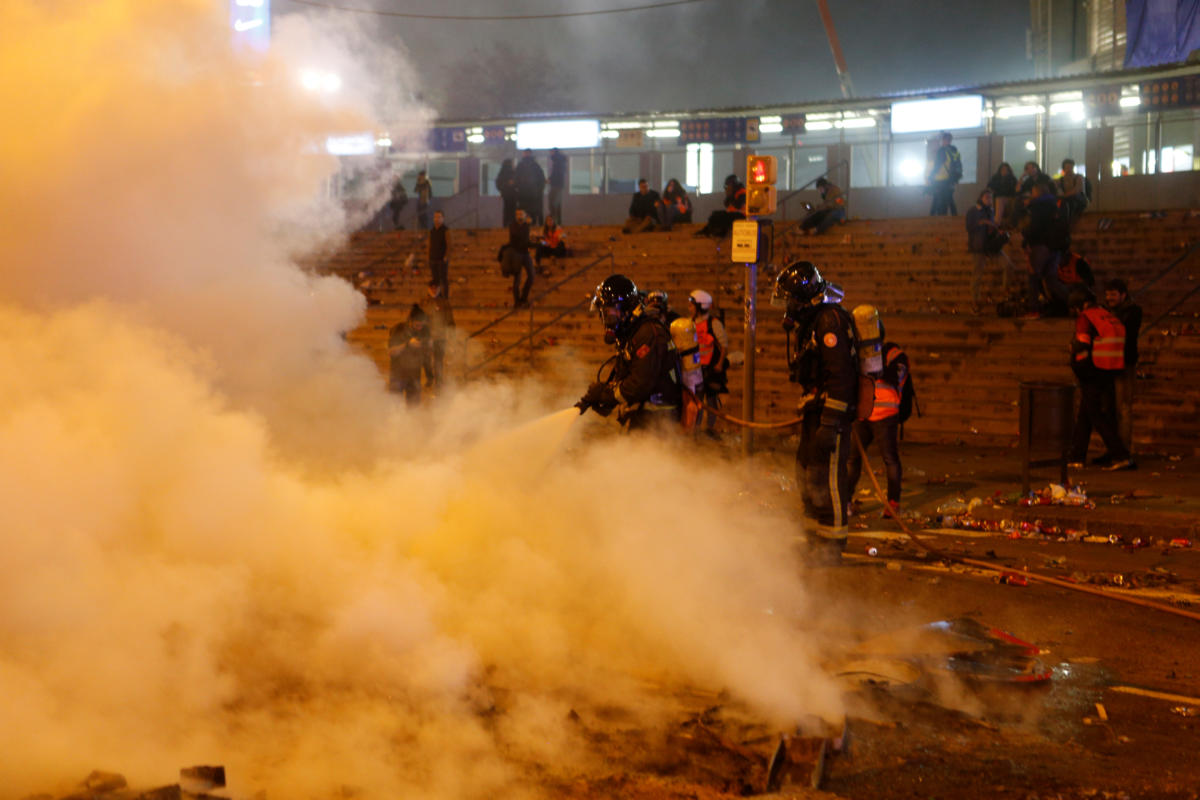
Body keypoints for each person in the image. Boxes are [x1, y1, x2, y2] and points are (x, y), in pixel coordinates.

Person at [772, 261, 858, 557]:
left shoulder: (829, 321)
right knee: (806, 475)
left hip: (830, 413)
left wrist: (831, 422)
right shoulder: (811, 323)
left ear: (802, 297)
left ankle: (832, 546)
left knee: (828, 478)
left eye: (789, 300)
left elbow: (841, 377)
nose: (787, 307)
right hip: (814, 410)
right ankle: (814, 542)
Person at [575, 274, 683, 432]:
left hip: (658, 418)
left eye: (608, 312)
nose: (605, 319)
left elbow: (639, 384)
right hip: (646, 415)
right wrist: (598, 396)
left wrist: (606, 395)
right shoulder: (634, 332)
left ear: (625, 309)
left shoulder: (648, 334)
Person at [845, 305, 908, 518]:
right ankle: (847, 501)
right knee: (855, 459)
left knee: (886, 459)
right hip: (864, 412)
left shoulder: (892, 353)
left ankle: (892, 503)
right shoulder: (864, 355)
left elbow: (897, 376)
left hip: (881, 414)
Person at [1067, 288, 1134, 471]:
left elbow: (1082, 342)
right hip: (1111, 368)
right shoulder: (1106, 315)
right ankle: (1076, 456)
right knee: (1086, 413)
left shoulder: (1086, 317)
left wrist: (1071, 348)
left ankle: (1121, 455)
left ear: (1081, 305)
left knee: (1096, 414)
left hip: (1092, 369)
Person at [1021, 177, 1071, 317]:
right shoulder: (1056, 204)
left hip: (1040, 246)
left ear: (1037, 191)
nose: (1031, 193)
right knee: (1051, 278)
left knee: (1033, 277)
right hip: (1055, 247)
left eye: (1033, 191)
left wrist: (1026, 241)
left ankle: (1033, 308)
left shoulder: (1037, 206)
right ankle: (1074, 302)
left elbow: (1035, 227)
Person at [1104, 278, 1142, 459]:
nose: (1109, 298)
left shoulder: (1132, 311)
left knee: (1123, 408)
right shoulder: (1108, 312)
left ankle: (1123, 449)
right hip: (1109, 364)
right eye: (1108, 294)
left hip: (1124, 363)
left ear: (1123, 295)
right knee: (1111, 408)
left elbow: (1126, 332)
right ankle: (1113, 447)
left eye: (1113, 294)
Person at [964, 189, 1014, 312]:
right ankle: (975, 301)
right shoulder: (973, 210)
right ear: (981, 198)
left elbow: (991, 228)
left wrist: (997, 230)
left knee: (1008, 266)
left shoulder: (991, 211)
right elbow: (969, 227)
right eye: (987, 197)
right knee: (977, 276)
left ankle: (1005, 290)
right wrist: (982, 222)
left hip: (992, 246)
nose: (989, 200)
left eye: (991, 198)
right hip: (978, 247)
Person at [688, 289, 728, 439]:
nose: (689, 308)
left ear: (701, 306)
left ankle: (710, 429)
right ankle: (696, 429)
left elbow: (723, 345)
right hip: (696, 369)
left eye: (692, 306)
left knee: (711, 401)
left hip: (710, 370)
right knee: (697, 400)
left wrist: (719, 364)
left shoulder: (714, 324)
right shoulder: (691, 323)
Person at [388, 304, 430, 406]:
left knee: (414, 408)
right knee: (395, 407)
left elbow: (427, 354)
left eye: (422, 325)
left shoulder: (424, 330)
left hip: (414, 375)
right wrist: (408, 344)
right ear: (410, 321)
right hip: (398, 374)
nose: (419, 328)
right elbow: (391, 351)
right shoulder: (399, 329)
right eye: (417, 325)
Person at [420, 283, 455, 390]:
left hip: (440, 336)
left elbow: (450, 319)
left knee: (438, 360)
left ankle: (439, 381)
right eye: (432, 288)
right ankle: (430, 378)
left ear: (439, 289)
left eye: (435, 288)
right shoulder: (423, 302)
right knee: (426, 359)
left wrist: (451, 334)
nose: (434, 290)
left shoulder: (444, 303)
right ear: (428, 289)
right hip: (426, 336)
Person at [504, 208, 535, 307]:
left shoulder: (526, 226)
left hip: (525, 253)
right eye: (517, 214)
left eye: (521, 214)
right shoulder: (513, 225)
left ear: (525, 215)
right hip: (516, 253)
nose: (519, 216)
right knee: (517, 279)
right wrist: (527, 225)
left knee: (531, 275)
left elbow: (526, 240)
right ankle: (517, 301)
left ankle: (523, 298)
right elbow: (519, 236)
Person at [926, 131, 962, 216]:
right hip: (951, 178)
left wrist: (930, 176)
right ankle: (954, 216)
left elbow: (937, 165)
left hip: (940, 179)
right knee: (948, 198)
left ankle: (937, 219)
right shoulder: (954, 149)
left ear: (943, 140)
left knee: (940, 200)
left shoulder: (942, 151)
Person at [515, 149, 546, 225]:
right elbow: (516, 178)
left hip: (531, 193)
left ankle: (532, 224)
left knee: (533, 211)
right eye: (525, 153)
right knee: (525, 210)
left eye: (527, 153)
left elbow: (541, 179)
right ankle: (526, 224)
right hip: (524, 193)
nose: (526, 154)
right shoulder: (522, 165)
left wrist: (538, 190)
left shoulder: (534, 166)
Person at [986, 162, 1018, 229]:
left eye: (1006, 169)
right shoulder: (995, 178)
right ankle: (997, 223)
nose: (1004, 171)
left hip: (1010, 197)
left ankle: (1010, 224)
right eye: (1003, 169)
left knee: (1013, 204)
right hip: (999, 197)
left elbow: (1016, 188)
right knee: (1000, 201)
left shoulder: (1012, 178)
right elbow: (989, 187)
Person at [427, 210, 450, 298]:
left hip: (442, 259)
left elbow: (449, 245)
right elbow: (429, 244)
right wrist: (428, 256)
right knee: (435, 280)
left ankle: (445, 298)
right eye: (435, 217)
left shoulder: (445, 230)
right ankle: (437, 297)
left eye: (439, 217)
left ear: (443, 219)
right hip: (433, 259)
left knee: (443, 279)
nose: (437, 219)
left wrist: (446, 257)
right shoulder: (432, 231)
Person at [495, 158, 518, 227]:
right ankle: (512, 224)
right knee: (512, 209)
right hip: (511, 194)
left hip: (506, 194)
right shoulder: (513, 172)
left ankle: (506, 224)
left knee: (507, 210)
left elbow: (498, 184)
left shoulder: (502, 173)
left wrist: (503, 189)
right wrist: (508, 184)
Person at [547, 148, 568, 224]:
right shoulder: (560, 161)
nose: (550, 154)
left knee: (553, 204)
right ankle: (557, 222)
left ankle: (554, 222)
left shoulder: (557, 162)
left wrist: (550, 179)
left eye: (550, 152)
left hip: (556, 185)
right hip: (559, 185)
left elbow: (556, 173)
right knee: (557, 204)